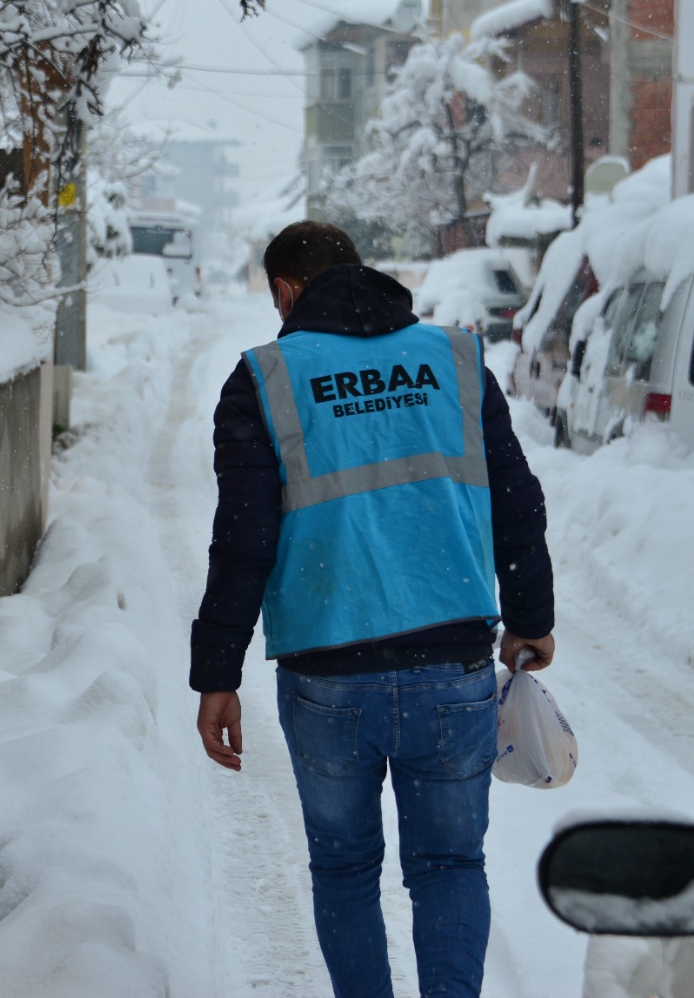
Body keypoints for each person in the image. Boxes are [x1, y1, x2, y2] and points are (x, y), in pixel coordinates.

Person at [189, 221, 556, 998]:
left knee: (346, 869)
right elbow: (517, 504)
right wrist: (529, 615)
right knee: (451, 865)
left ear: (286, 291)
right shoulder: (453, 359)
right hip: (450, 664)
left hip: (329, 677)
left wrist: (217, 670)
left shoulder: (265, 377)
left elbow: (243, 538)